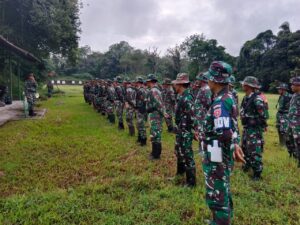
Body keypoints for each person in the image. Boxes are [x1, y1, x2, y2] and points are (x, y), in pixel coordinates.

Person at [201, 61, 244, 225]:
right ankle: (220, 219)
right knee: (222, 188)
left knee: (216, 192)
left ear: (215, 80)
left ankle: (220, 222)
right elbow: (232, 127)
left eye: (209, 79)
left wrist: (210, 139)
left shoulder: (220, 102)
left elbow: (224, 132)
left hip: (217, 154)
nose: (207, 82)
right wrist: (235, 144)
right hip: (221, 153)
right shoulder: (229, 98)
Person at [240, 76, 268, 180]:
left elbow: (264, 115)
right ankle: (247, 166)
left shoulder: (257, 99)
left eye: (244, 84)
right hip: (247, 128)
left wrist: (261, 124)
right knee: (245, 148)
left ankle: (257, 173)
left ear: (248, 86)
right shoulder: (246, 97)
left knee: (254, 151)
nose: (242, 85)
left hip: (254, 129)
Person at [172, 73, 196, 187]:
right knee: (179, 151)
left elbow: (193, 116)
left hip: (186, 131)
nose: (174, 85)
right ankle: (180, 173)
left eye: (176, 84)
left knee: (187, 155)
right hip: (180, 129)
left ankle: (191, 182)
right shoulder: (181, 96)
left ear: (181, 84)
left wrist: (194, 131)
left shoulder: (187, 98)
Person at [146, 74, 168, 159]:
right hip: (154, 114)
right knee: (154, 133)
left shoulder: (154, 90)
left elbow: (159, 103)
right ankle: (154, 153)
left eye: (148, 81)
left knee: (155, 134)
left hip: (155, 115)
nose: (146, 83)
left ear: (150, 81)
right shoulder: (154, 90)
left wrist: (164, 113)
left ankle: (156, 154)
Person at [194, 73, 212, 156]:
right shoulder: (203, 88)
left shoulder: (206, 89)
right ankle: (201, 149)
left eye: (199, 79)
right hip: (199, 114)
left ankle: (203, 151)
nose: (197, 81)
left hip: (202, 115)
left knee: (202, 132)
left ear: (202, 80)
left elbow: (208, 103)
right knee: (200, 131)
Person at [286, 76, 300, 167]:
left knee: (298, 142)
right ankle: (294, 156)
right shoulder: (294, 95)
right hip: (291, 122)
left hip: (298, 124)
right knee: (289, 140)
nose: (291, 86)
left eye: (293, 84)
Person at [135, 77, 147, 146]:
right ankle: (140, 138)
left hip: (141, 110)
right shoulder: (143, 89)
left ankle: (143, 140)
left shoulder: (141, 90)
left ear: (139, 83)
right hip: (140, 109)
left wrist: (141, 109)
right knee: (139, 125)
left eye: (136, 82)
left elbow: (144, 101)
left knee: (141, 125)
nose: (136, 84)